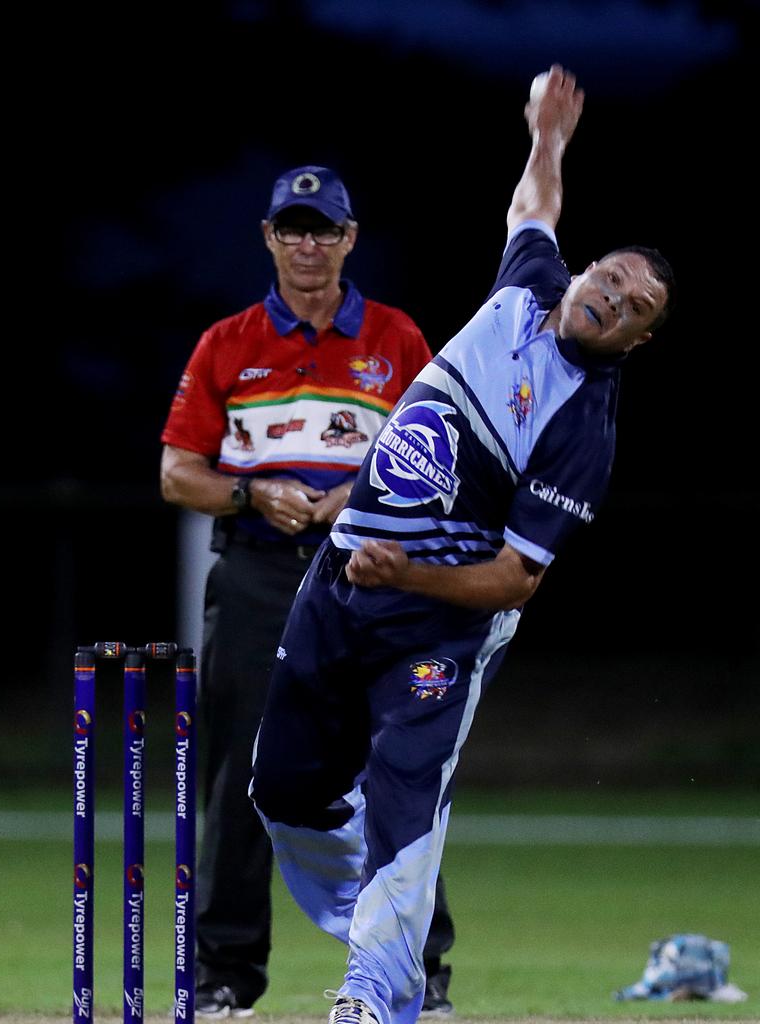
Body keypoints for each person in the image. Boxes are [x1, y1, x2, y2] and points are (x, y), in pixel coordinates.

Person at [250, 65, 676, 1024]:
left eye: (635, 306)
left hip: (435, 624)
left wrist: (410, 573)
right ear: (586, 269)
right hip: (340, 583)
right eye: (611, 276)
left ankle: (380, 988)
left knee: (405, 787)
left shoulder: (584, 428)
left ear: (637, 340)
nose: (612, 298)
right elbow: (534, 202)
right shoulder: (531, 281)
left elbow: (517, 580)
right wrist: (549, 136)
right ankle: (377, 932)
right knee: (281, 791)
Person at [160, 164, 457, 1017]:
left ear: (349, 239)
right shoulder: (228, 341)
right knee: (241, 773)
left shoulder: (398, 340)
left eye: (324, 229)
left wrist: (353, 502)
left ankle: (416, 968)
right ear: (268, 237)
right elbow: (178, 473)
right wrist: (256, 493)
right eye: (292, 228)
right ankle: (225, 974)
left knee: (396, 770)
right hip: (255, 574)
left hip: (368, 579)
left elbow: (446, 459)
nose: (308, 245)